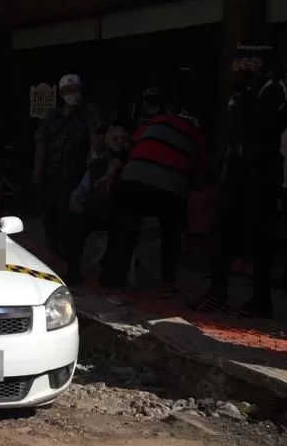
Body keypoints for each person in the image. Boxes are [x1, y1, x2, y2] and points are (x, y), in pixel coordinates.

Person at [190, 40, 287, 317]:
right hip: (237, 168)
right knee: (222, 231)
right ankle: (217, 293)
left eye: (245, 62)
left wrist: (245, 93)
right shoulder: (245, 90)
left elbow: (262, 128)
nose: (237, 67)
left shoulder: (273, 88)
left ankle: (261, 300)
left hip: (261, 169)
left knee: (259, 237)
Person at [100, 103, 208, 295]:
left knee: (124, 229)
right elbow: (199, 173)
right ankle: (167, 281)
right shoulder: (197, 137)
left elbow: (131, 144)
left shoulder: (156, 121)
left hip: (133, 180)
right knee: (171, 232)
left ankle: (114, 280)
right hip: (169, 190)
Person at [33, 74, 100, 263]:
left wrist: (90, 118)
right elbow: (41, 143)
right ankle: (54, 251)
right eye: (68, 91)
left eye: (76, 90)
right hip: (50, 173)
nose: (73, 95)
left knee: (67, 218)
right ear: (61, 94)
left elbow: (97, 145)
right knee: (49, 216)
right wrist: (37, 171)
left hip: (73, 175)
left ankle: (67, 258)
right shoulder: (52, 116)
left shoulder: (86, 115)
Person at [64, 124, 130, 285]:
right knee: (76, 221)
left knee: (122, 225)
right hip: (98, 210)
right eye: (115, 138)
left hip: (122, 211)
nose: (119, 142)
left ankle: (110, 274)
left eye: (123, 139)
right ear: (107, 141)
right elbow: (81, 190)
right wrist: (75, 200)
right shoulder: (97, 165)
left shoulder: (132, 162)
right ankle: (72, 270)